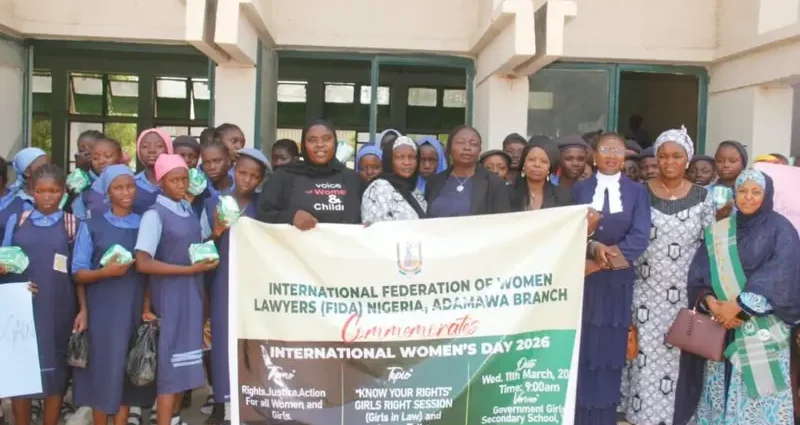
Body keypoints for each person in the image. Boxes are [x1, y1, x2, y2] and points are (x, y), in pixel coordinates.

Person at [675, 169, 800, 425]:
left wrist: (739, 309)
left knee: (760, 399)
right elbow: (699, 275)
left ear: (767, 195)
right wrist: (713, 304)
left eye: (756, 192)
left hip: (762, 330)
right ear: (734, 194)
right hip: (721, 327)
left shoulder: (782, 230)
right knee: (718, 393)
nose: (748, 197)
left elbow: (782, 277)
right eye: (742, 191)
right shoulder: (719, 231)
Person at [625, 126, 714, 425]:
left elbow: (710, 247)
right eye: (663, 156)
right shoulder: (639, 193)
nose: (669, 161)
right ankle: (642, 418)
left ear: (687, 159)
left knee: (680, 356)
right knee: (644, 358)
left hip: (685, 295)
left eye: (677, 156)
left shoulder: (703, 197)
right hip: (644, 292)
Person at [572, 132, 651, 425]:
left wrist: (598, 264)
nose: (612, 155)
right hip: (582, 282)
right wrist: (593, 249)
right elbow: (571, 232)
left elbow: (639, 239)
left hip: (616, 282)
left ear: (625, 156)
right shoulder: (579, 190)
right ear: (594, 155)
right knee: (583, 349)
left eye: (618, 150)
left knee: (608, 350)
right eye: (605, 149)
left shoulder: (637, 192)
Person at [134, 154, 218, 425]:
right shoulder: (154, 215)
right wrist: (189, 271)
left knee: (185, 366)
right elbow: (143, 262)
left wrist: (217, 232)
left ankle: (173, 419)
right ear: (161, 181)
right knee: (170, 369)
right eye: (174, 180)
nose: (181, 184)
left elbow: (195, 246)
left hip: (191, 294)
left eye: (184, 179)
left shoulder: (186, 209)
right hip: (170, 296)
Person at [70, 165, 154, 425]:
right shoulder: (92, 225)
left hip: (133, 307)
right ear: (107, 192)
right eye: (118, 188)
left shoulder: (145, 224)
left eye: (130, 186)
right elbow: (78, 273)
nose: (126, 192)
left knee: (126, 372)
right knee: (103, 371)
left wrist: (146, 307)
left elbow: (150, 272)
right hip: (102, 309)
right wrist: (104, 274)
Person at [1, 164, 77, 425]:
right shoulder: (18, 220)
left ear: (63, 191)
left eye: (53, 191)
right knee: (22, 370)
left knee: (55, 372)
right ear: (31, 191)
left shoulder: (72, 223)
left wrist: (83, 310)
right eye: (41, 191)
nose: (47, 197)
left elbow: (78, 270)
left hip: (58, 306)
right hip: (21, 307)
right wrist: (10, 277)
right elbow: (4, 259)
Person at [200, 148, 268, 425]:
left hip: (255, 283)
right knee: (222, 340)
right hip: (222, 281)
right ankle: (224, 403)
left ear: (261, 179)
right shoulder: (213, 203)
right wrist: (217, 231)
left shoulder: (264, 206)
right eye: (242, 173)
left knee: (253, 341)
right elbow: (199, 247)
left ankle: (252, 402)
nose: (247, 180)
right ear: (233, 170)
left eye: (254, 176)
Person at [257, 119, 361, 228]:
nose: (320, 144)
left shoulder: (352, 179)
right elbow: (262, 216)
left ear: (335, 142)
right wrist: (290, 217)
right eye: (312, 140)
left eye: (326, 139)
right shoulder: (283, 177)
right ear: (304, 144)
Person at [426, 125, 510, 217]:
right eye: (460, 142)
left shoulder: (494, 182)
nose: (467, 147)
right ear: (449, 148)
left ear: (479, 150)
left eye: (473, 144)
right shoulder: (435, 182)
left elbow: (503, 221)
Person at [361, 136, 426, 223]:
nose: (407, 162)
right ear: (389, 160)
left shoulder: (415, 191)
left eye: (412, 157)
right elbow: (375, 228)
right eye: (400, 157)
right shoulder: (379, 188)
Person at [511, 139, 574, 211]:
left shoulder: (563, 196)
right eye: (531, 159)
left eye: (544, 161)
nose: (537, 164)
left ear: (550, 167)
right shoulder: (507, 193)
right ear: (523, 163)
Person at [71, 137, 124, 220]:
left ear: (120, 157)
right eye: (95, 158)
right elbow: (78, 220)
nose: (101, 161)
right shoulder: (83, 186)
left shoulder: (131, 182)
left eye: (107, 156)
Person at [0, 148, 50, 235]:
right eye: (44, 168)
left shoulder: (62, 197)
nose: (50, 172)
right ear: (27, 172)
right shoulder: (18, 204)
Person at [132, 129, 173, 215]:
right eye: (145, 146)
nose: (151, 150)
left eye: (159, 146)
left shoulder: (177, 183)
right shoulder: (131, 183)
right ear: (138, 151)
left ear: (168, 150)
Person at [711, 140, 747, 220]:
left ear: (743, 164)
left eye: (732, 161)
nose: (726, 165)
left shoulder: (750, 193)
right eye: (720, 161)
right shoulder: (704, 192)